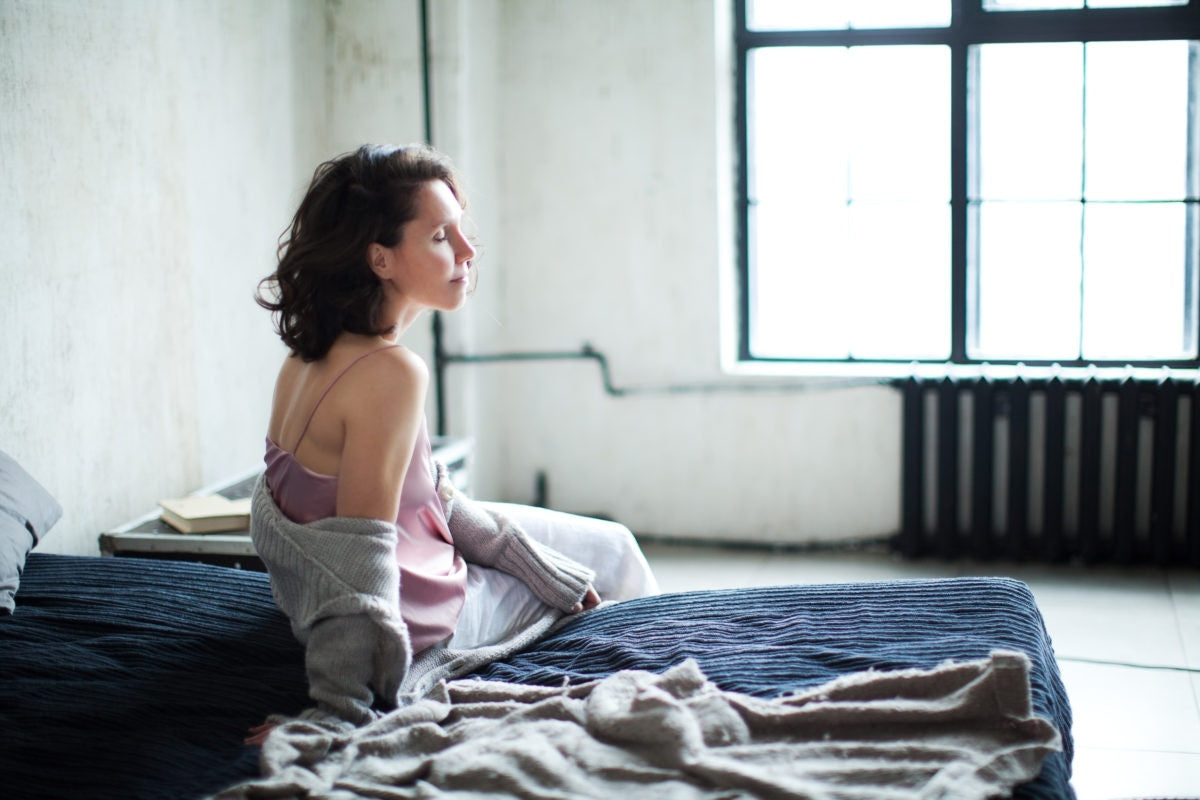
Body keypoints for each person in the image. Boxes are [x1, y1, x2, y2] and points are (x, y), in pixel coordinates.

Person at [249, 143, 658, 729]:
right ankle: (654, 685)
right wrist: (337, 710)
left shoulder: (307, 359)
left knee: (595, 549)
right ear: (380, 259)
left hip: (419, 559)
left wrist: (533, 567)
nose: (468, 251)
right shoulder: (390, 375)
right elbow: (360, 559)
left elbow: (429, 503)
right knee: (616, 551)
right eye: (441, 236)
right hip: (425, 614)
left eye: (460, 230)